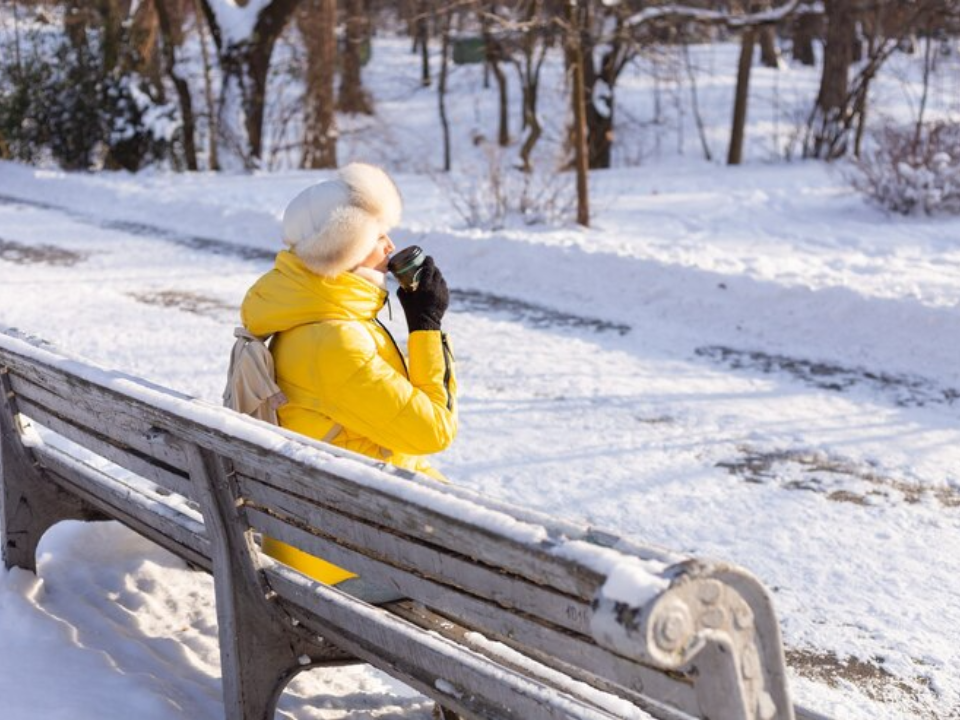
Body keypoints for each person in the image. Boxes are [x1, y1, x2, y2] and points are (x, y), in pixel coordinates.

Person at [240, 162, 457, 587]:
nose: (391, 245)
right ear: (345, 249)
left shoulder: (312, 314)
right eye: (378, 237)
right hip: (347, 560)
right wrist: (426, 327)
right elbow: (433, 432)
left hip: (332, 530)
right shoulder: (332, 341)